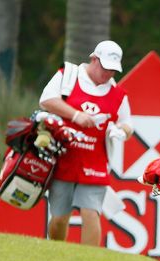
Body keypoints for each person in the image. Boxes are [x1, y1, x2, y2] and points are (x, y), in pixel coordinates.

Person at [39, 40, 133, 246]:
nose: (108, 74)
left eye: (113, 70)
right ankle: (56, 254)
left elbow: (128, 124)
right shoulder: (68, 76)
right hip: (63, 158)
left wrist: (120, 132)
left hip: (95, 162)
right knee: (59, 217)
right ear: (94, 59)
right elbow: (46, 100)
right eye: (105, 68)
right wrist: (75, 115)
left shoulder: (118, 94)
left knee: (91, 213)